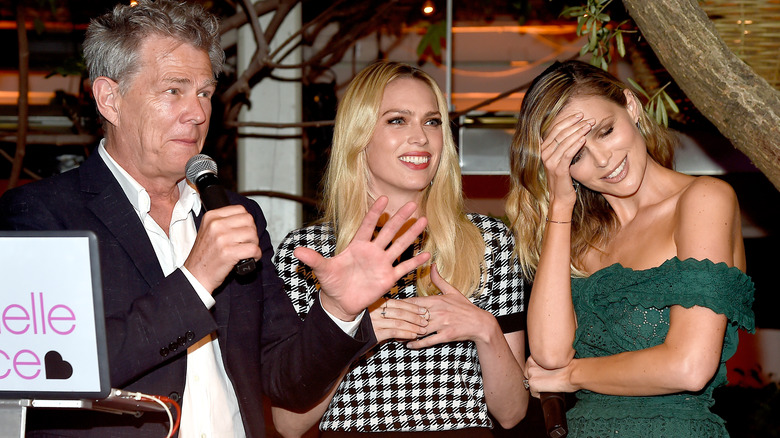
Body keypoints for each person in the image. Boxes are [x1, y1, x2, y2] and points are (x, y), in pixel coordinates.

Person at [0, 2, 431, 437]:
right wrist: (195, 280)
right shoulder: (42, 214)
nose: (197, 112)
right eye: (174, 90)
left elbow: (288, 386)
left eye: (204, 92)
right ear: (110, 98)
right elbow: (55, 369)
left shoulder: (235, 216)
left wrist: (337, 311)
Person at [270, 61, 529, 436]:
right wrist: (348, 329)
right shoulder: (310, 252)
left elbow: (512, 412)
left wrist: (484, 329)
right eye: (397, 120)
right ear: (359, 135)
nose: (421, 137)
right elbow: (288, 423)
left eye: (432, 121)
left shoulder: (488, 241)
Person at [505, 60, 755, 436]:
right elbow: (549, 355)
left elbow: (690, 366)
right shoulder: (578, 236)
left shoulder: (704, 200)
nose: (603, 160)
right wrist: (560, 206)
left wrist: (573, 375)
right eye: (575, 156)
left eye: (605, 131)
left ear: (631, 106)